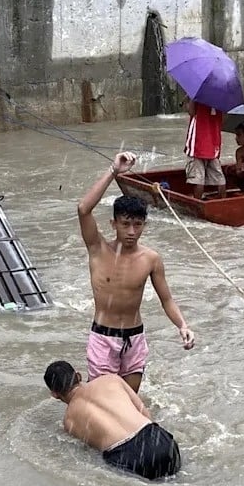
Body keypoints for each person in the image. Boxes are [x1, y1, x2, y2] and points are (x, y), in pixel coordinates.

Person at [77, 151, 195, 394]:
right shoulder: (98, 249)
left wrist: (182, 325)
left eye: (137, 225)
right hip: (103, 337)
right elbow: (83, 209)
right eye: (125, 224)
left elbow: (167, 299)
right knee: (105, 402)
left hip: (135, 338)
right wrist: (113, 171)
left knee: (129, 400)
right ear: (114, 224)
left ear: (144, 226)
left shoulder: (151, 259)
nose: (131, 231)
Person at [43, 360, 182, 480]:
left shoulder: (69, 420)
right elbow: (145, 414)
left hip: (128, 457)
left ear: (54, 394)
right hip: (160, 442)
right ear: (78, 376)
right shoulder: (111, 379)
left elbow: (92, 449)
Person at [183, 98, 226, 200]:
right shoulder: (221, 99)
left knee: (198, 179)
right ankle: (222, 201)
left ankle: (197, 204)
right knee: (219, 177)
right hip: (213, 143)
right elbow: (223, 120)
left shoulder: (199, 95)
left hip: (198, 143)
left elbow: (192, 112)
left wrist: (188, 99)